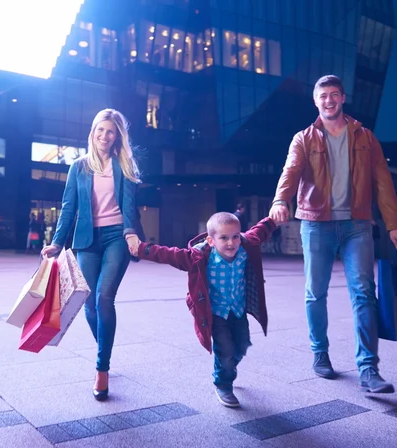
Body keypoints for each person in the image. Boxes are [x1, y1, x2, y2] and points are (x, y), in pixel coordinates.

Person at [269, 75, 397, 394]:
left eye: (334, 94)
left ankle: (369, 368)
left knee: (363, 293)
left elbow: (383, 183)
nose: (329, 100)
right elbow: (290, 172)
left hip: (357, 224)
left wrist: (394, 225)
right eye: (323, 96)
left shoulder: (366, 138)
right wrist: (280, 200)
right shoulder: (303, 138)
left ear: (343, 98)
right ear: (315, 102)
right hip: (316, 223)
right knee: (315, 292)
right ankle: (320, 353)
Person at [41, 109, 143, 401]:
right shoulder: (79, 167)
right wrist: (57, 243)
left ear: (117, 136)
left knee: (104, 298)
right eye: (100, 130)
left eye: (110, 131)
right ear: (93, 132)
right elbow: (68, 208)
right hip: (87, 240)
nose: (104, 136)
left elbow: (128, 206)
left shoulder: (124, 167)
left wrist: (131, 232)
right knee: (88, 305)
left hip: (117, 238)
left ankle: (102, 368)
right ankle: (105, 346)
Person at [128, 212, 276, 408]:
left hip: (238, 311)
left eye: (235, 237)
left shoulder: (246, 248)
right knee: (226, 350)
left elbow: (261, 230)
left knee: (241, 346)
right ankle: (223, 384)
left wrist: (274, 217)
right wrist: (142, 249)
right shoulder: (198, 257)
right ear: (211, 240)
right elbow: (169, 254)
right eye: (224, 238)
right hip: (216, 313)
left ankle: (227, 366)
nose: (231, 243)